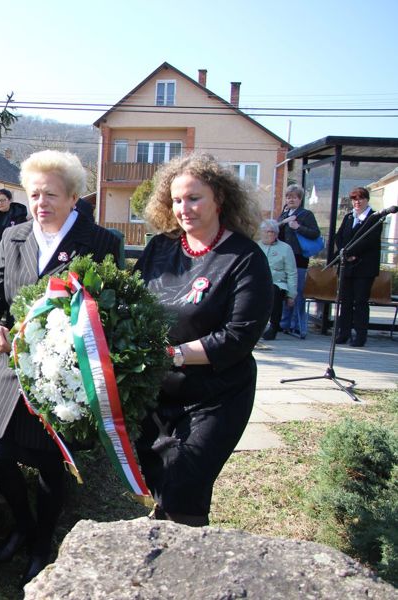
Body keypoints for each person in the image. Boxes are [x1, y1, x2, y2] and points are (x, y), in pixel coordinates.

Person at [0, 150, 121, 586]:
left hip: (63, 375)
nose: (41, 203)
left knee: (51, 466)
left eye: (51, 195)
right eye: (35, 194)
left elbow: (112, 309)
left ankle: (42, 544)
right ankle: (22, 526)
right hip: (12, 366)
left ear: (73, 197)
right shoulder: (14, 235)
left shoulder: (101, 242)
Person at [133, 154, 271, 527]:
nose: (184, 208)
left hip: (216, 396)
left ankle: (188, 550)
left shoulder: (245, 258)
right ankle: (163, 534)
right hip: (157, 392)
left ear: (219, 199)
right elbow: (131, 305)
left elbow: (239, 336)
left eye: (194, 198)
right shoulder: (160, 248)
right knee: (161, 479)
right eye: (177, 200)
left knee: (185, 479)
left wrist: (171, 354)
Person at [334, 187, 383, 347]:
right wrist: (345, 254)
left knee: (360, 301)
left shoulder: (374, 217)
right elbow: (339, 237)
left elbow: (369, 240)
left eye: (360, 198)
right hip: (347, 266)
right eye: (354, 199)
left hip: (364, 268)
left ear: (367, 200)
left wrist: (352, 253)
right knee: (345, 301)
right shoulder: (349, 217)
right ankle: (344, 333)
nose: (357, 202)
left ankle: (360, 336)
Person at [277, 184, 321, 339]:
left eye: (294, 197)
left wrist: (297, 227)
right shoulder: (284, 214)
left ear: (300, 199)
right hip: (283, 258)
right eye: (288, 197)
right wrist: (282, 222)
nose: (291, 200)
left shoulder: (306, 215)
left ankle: (297, 325)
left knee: (297, 292)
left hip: (299, 258)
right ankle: (284, 323)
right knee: (284, 291)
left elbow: (315, 233)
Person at [258, 219, 297, 340]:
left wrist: (291, 295)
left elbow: (292, 272)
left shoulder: (286, 248)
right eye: (265, 231)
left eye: (270, 232)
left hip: (278, 283)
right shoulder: (256, 246)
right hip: (258, 283)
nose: (268, 234)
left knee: (274, 291)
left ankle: (274, 327)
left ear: (276, 234)